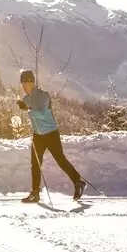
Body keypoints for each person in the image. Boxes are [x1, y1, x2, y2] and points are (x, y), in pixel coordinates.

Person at [17, 69, 86, 203]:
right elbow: (32, 116)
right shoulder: (25, 99)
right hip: (38, 135)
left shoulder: (44, 96)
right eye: (22, 85)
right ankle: (35, 193)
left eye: (26, 84)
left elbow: (42, 114)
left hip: (51, 134)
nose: (24, 87)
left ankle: (78, 182)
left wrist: (28, 109)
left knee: (61, 160)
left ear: (32, 83)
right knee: (35, 164)